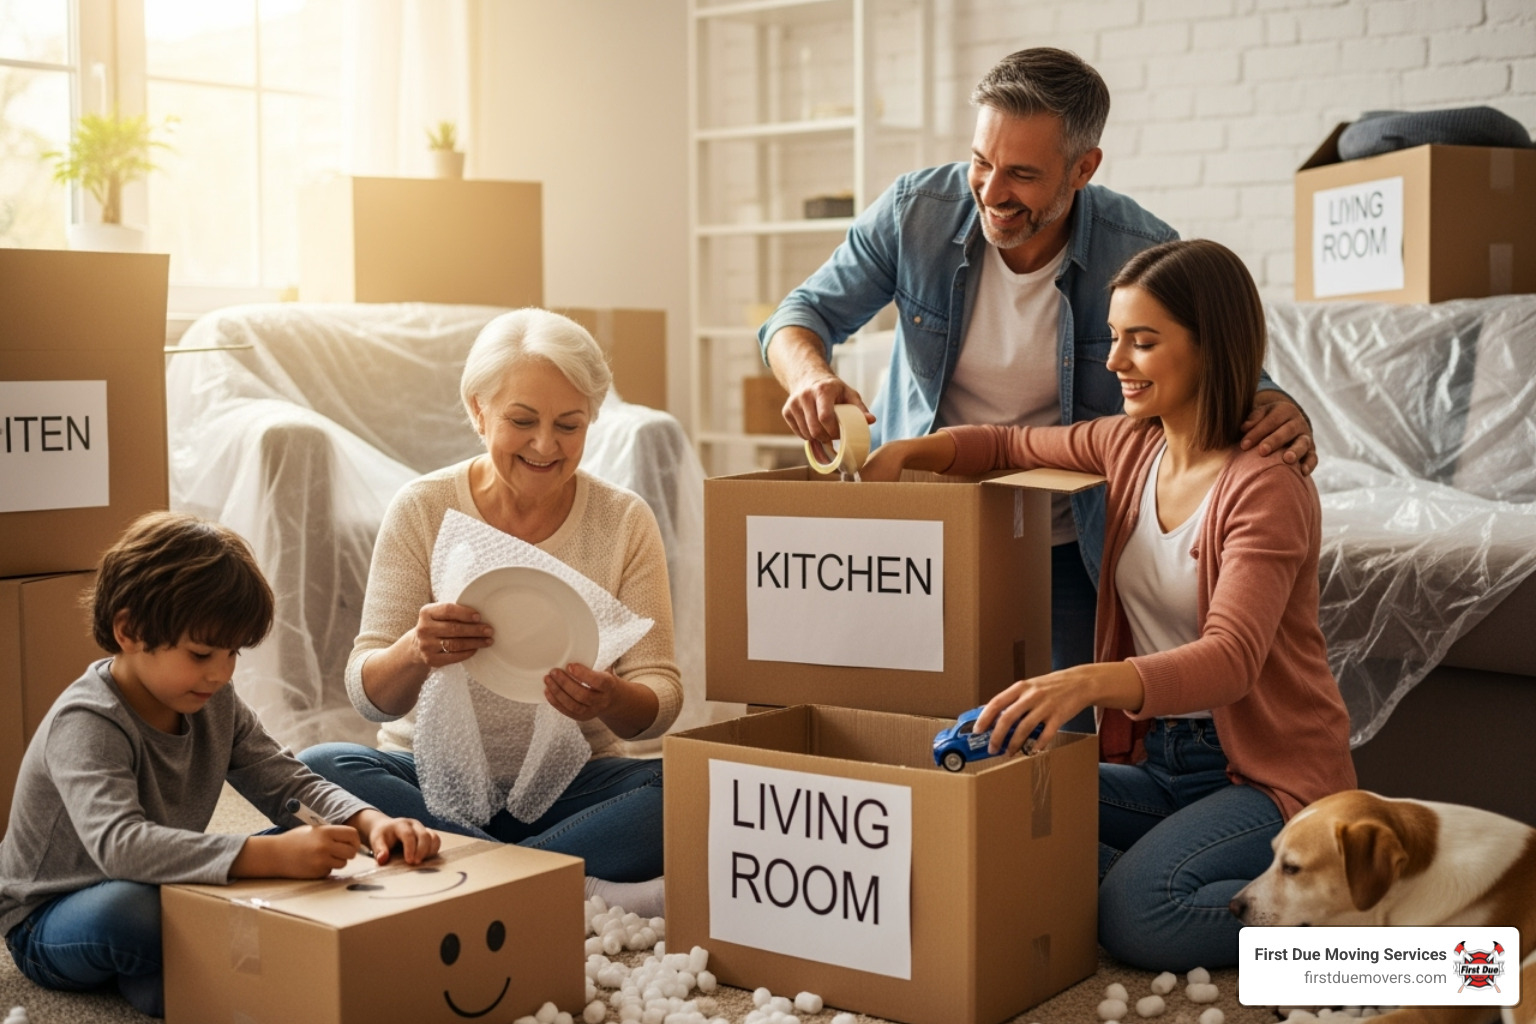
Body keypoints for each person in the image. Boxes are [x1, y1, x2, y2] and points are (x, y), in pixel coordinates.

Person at [859, 240, 1356, 971]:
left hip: (1265, 777)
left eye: (1143, 342)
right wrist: (909, 452)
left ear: (1212, 347)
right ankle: (1219, 880)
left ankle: (1367, 926)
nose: (1115, 361)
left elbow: (1232, 659)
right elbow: (1007, 443)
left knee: (1139, 917)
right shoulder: (1130, 445)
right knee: (991, 807)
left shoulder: (1266, 485)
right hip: (1161, 762)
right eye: (1115, 337)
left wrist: (1084, 682)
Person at [760, 47, 1316, 680]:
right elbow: (799, 314)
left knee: (1064, 726)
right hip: (924, 523)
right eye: (981, 161)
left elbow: (1218, 363)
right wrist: (809, 374)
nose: (991, 192)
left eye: (1021, 174)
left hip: (1069, 538)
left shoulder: (1138, 249)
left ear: (1084, 168)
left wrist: (1276, 405)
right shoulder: (916, 211)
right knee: (910, 711)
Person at [299, 308, 682, 919]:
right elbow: (370, 697)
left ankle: (473, 878)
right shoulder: (423, 507)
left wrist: (611, 698)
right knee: (317, 771)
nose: (545, 445)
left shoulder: (623, 519)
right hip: (427, 779)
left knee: (688, 791)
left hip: (575, 785)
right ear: (478, 412)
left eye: (569, 425)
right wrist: (415, 650)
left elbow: (659, 697)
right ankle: (569, 883)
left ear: (591, 419)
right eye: (522, 421)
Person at [0, 512, 439, 1018]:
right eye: (201, 653)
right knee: (135, 911)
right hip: (53, 914)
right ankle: (194, 971)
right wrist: (270, 857)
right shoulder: (88, 720)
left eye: (232, 654)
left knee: (313, 846)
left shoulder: (213, 701)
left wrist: (370, 822)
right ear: (128, 630)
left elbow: (285, 781)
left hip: (166, 882)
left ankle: (181, 974)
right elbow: (121, 847)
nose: (220, 673)